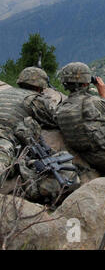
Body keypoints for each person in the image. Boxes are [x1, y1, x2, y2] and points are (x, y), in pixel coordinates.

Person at [0, 67, 79, 203]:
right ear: (41, 87)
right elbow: (56, 119)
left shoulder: (4, 93)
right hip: (4, 138)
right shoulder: (33, 99)